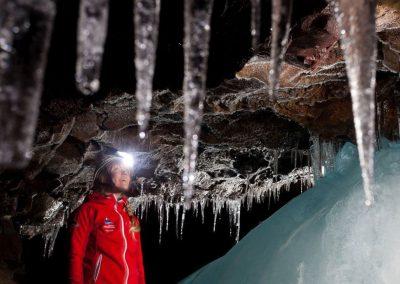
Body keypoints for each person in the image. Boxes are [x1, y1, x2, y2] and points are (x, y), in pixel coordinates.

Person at [70, 152, 145, 284]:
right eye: (117, 169)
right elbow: (76, 253)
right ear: (104, 176)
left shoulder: (131, 217)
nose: (124, 173)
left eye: (126, 170)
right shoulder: (89, 210)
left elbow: (138, 260)